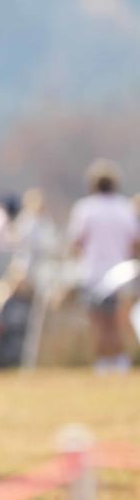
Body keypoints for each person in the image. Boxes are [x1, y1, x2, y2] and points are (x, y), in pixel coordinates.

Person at [68, 159, 140, 374]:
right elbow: (135, 242)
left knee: (98, 322)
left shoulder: (85, 209)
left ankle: (103, 363)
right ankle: (121, 361)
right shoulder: (125, 207)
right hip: (122, 272)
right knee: (119, 320)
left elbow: (76, 242)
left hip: (94, 274)